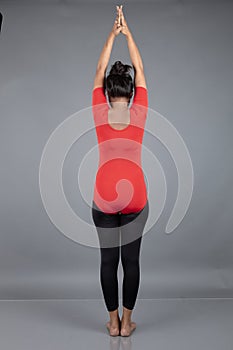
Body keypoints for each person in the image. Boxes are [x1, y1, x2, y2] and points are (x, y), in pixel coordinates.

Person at [91, 5, 149, 337]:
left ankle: (112, 323)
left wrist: (111, 35)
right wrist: (129, 34)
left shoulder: (99, 110)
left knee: (107, 263)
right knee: (132, 263)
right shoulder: (140, 111)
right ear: (129, 92)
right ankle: (128, 323)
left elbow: (100, 67)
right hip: (136, 196)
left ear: (108, 92)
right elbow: (139, 68)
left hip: (104, 196)